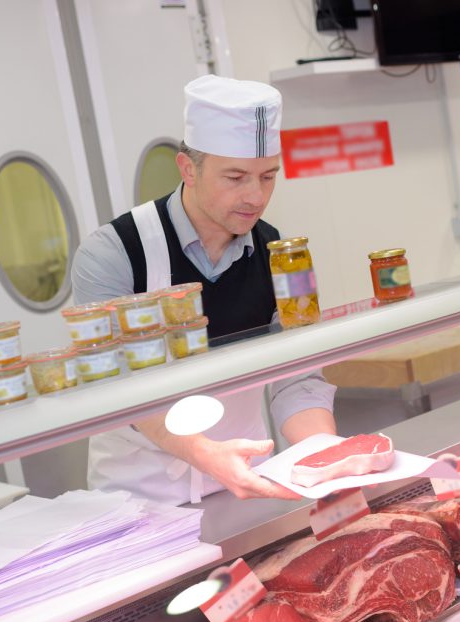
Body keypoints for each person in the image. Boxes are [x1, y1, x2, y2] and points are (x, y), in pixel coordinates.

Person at [71, 74, 336, 506]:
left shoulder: (283, 254)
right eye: (235, 177)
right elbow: (117, 386)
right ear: (187, 168)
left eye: (268, 177)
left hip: (248, 485)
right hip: (142, 498)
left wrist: (326, 454)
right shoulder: (114, 252)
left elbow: (299, 377)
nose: (256, 196)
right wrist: (204, 453)